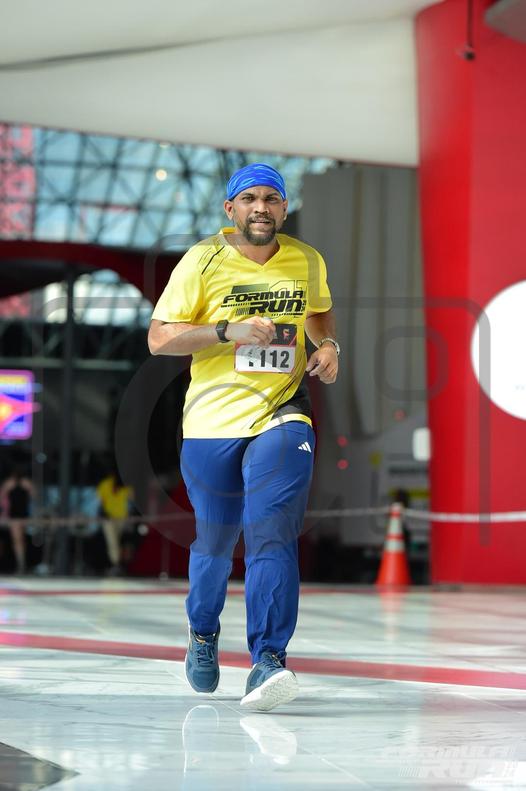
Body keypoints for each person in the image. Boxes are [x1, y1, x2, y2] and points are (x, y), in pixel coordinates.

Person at [148, 163, 339, 711]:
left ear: (284, 208)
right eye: (250, 199)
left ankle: (268, 659)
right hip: (211, 422)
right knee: (215, 542)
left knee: (272, 531)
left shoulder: (307, 259)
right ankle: (203, 631)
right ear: (230, 209)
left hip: (283, 411)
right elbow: (159, 339)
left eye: (271, 199)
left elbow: (319, 313)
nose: (261, 208)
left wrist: (329, 347)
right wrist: (224, 330)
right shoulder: (202, 260)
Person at [96, 466, 134, 575]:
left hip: (121, 518)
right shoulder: (105, 484)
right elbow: (100, 501)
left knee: (116, 541)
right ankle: (115, 564)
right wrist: (103, 512)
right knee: (112, 541)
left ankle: (116, 564)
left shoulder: (126, 485)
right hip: (108, 518)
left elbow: (131, 502)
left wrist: (130, 516)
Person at [0, 466, 35, 574]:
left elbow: (34, 496)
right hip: (14, 516)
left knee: (21, 540)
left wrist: (29, 488)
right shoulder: (9, 483)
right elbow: (2, 498)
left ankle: (21, 563)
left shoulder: (26, 483)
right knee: (18, 540)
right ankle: (21, 564)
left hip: (23, 515)